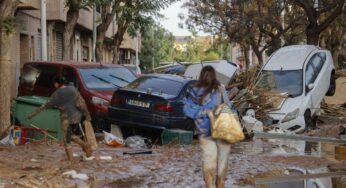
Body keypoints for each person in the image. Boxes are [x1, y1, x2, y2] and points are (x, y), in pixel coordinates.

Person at [187, 66, 236, 188]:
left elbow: (189, 109)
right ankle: (218, 184)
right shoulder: (220, 88)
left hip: (205, 131)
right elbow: (228, 106)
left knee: (209, 160)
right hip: (219, 128)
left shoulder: (197, 90)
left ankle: (211, 185)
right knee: (221, 160)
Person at [27, 76, 92, 161]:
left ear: (57, 83)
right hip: (76, 116)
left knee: (67, 138)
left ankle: (72, 158)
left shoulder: (57, 93)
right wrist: (87, 114)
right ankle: (83, 147)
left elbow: (45, 105)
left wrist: (32, 114)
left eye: (55, 83)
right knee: (70, 136)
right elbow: (82, 102)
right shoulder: (73, 89)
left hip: (66, 118)